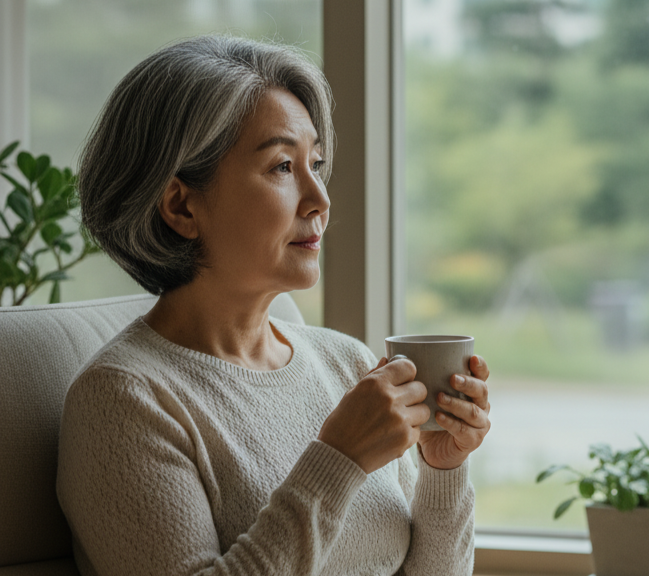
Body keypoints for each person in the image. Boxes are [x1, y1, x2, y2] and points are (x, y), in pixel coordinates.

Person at [55, 35, 491, 576]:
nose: (321, 200)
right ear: (180, 205)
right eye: (283, 167)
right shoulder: (123, 401)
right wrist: (338, 460)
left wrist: (443, 469)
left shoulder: (345, 364)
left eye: (316, 162)